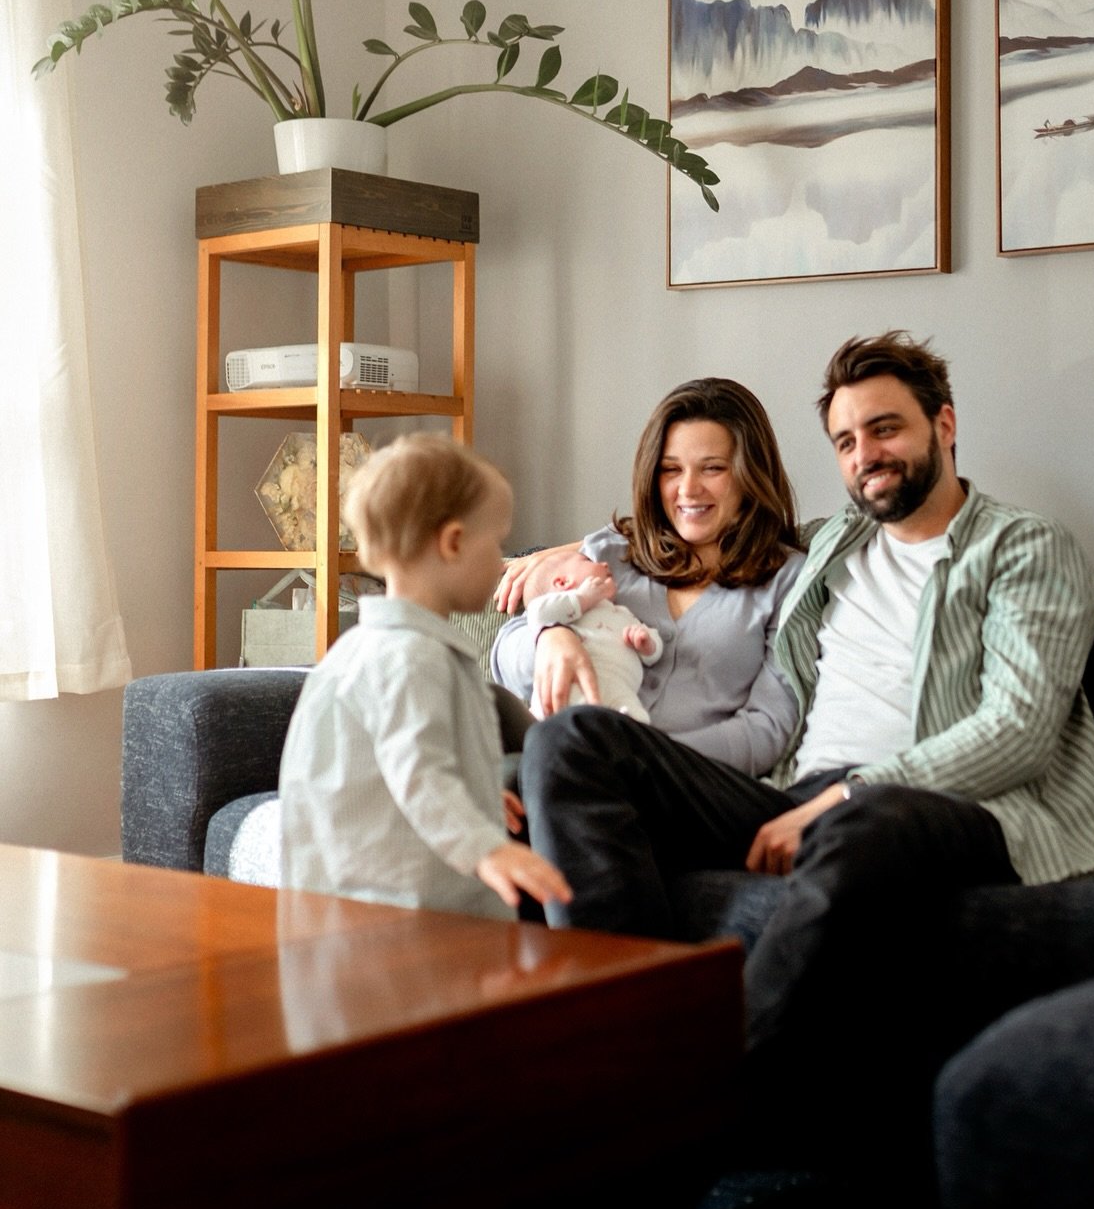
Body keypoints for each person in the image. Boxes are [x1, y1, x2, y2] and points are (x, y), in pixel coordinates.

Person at [519, 332, 1094, 1145]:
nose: (866, 454)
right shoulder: (831, 545)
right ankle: (639, 1034)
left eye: (887, 429)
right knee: (573, 743)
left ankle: (692, 1107)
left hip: (944, 805)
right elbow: (706, 518)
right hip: (800, 795)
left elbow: (1017, 732)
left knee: (870, 820)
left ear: (944, 425)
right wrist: (577, 558)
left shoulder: (1025, 547)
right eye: (846, 441)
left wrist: (847, 794)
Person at [279, 432, 571, 921]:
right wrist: (487, 848)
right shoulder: (413, 658)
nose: (503, 561)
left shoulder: (364, 649)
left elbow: (392, 764)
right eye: (496, 541)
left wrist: (473, 789)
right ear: (453, 542)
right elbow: (418, 774)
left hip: (353, 912)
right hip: (395, 920)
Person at [492, 376, 806, 778]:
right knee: (490, 712)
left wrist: (640, 758)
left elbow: (768, 727)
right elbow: (504, 655)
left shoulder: (788, 580)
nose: (688, 489)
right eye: (671, 470)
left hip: (686, 784)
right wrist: (549, 636)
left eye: (712, 468)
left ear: (750, 474)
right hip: (572, 764)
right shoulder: (611, 552)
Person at [518, 548, 662, 723]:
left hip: (621, 687)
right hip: (575, 683)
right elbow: (538, 614)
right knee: (577, 716)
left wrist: (648, 644)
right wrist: (582, 598)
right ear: (563, 582)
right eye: (588, 561)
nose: (604, 563)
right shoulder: (567, 613)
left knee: (635, 717)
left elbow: (653, 649)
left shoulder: (622, 612)